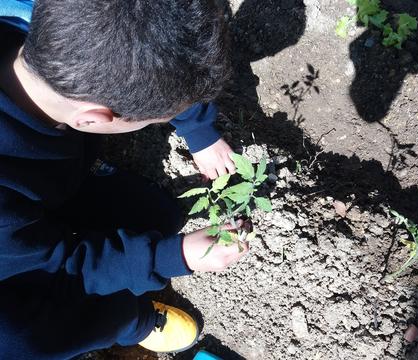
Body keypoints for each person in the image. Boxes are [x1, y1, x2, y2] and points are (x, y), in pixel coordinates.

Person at [0, 0, 249, 358]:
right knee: (19, 343)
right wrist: (174, 258)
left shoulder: (46, 20)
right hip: (13, 271)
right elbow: (66, 269)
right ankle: (128, 323)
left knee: (160, 217)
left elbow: (150, 38)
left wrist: (198, 129)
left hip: (35, 195)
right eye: (155, 119)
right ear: (94, 118)